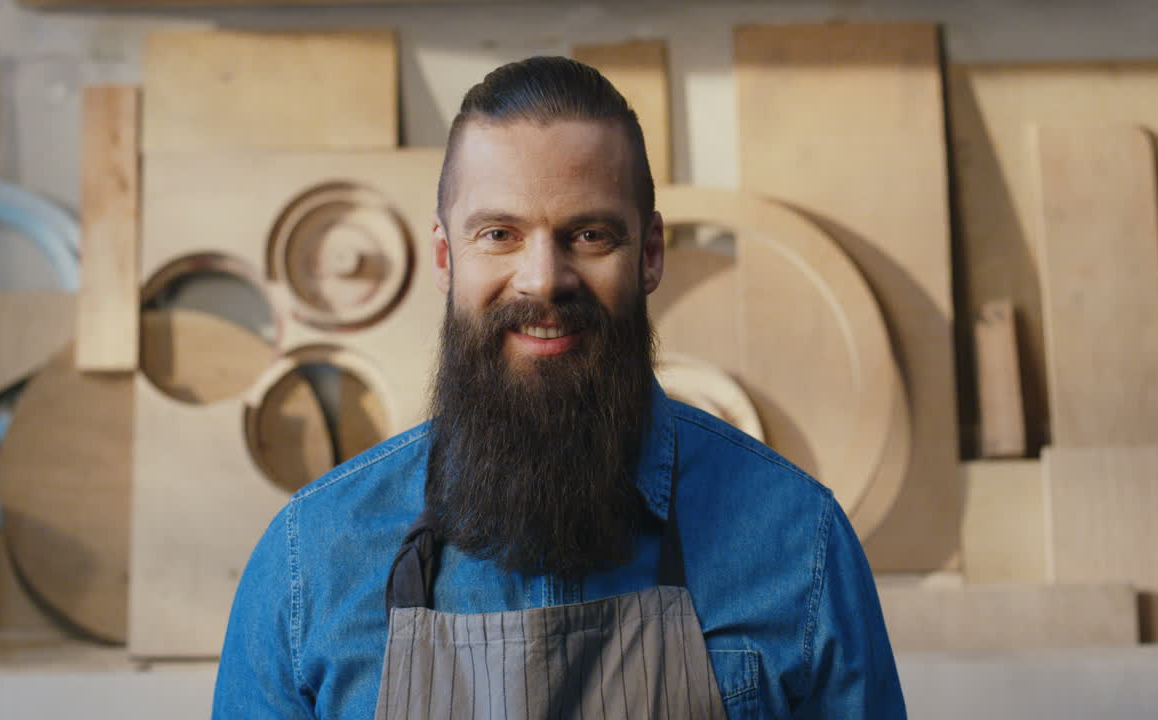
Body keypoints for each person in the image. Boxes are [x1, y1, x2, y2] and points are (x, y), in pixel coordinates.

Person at [213, 55, 905, 719]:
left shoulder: (798, 541)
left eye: (590, 234)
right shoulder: (312, 558)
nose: (543, 279)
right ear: (446, 258)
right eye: (499, 234)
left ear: (651, 255)